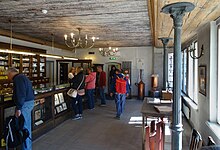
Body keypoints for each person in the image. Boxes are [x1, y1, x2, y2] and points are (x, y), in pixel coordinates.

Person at [6, 67, 35, 150]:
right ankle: (27, 147)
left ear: (11, 73)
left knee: (24, 127)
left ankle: (26, 148)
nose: (8, 77)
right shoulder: (22, 77)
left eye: (8, 75)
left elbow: (20, 94)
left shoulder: (18, 79)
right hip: (28, 103)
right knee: (26, 126)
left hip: (24, 105)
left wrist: (18, 108)